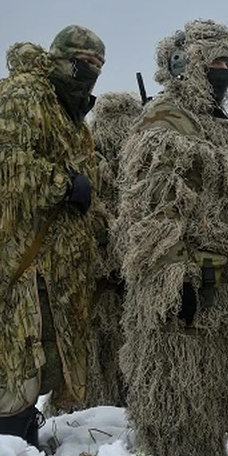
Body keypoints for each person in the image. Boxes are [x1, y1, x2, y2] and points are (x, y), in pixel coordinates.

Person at [115, 19, 228, 456]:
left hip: (217, 293)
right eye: (214, 61)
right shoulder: (167, 123)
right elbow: (152, 213)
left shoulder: (211, 127)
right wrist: (176, 280)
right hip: (182, 295)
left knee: (207, 398)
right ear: (183, 65)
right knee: (175, 396)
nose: (224, 70)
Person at [0, 25, 105, 447]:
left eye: (98, 65)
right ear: (60, 57)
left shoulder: (66, 111)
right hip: (20, 260)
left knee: (40, 356)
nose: (91, 71)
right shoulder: (21, 95)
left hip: (50, 265)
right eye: (84, 62)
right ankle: (5, 454)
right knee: (16, 355)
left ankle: (24, 441)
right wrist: (65, 183)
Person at [84, 91, 142, 409]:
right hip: (101, 281)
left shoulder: (135, 163)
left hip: (124, 283)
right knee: (99, 351)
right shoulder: (94, 163)